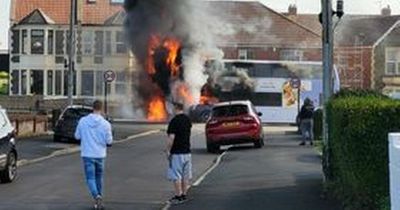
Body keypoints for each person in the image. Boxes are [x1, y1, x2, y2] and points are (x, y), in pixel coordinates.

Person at [75, 100, 113, 210]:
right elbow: (109, 141)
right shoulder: (106, 124)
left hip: (87, 153)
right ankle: (98, 199)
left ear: (92, 108)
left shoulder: (83, 121)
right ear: (101, 109)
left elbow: (77, 136)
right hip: (100, 154)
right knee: (99, 177)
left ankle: (97, 197)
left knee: (90, 178)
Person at [166, 102, 193, 205]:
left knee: (176, 175)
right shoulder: (187, 120)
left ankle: (178, 196)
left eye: (173, 108)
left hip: (177, 152)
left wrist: (168, 150)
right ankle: (184, 195)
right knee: (185, 175)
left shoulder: (174, 121)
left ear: (176, 108)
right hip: (187, 151)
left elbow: (171, 138)